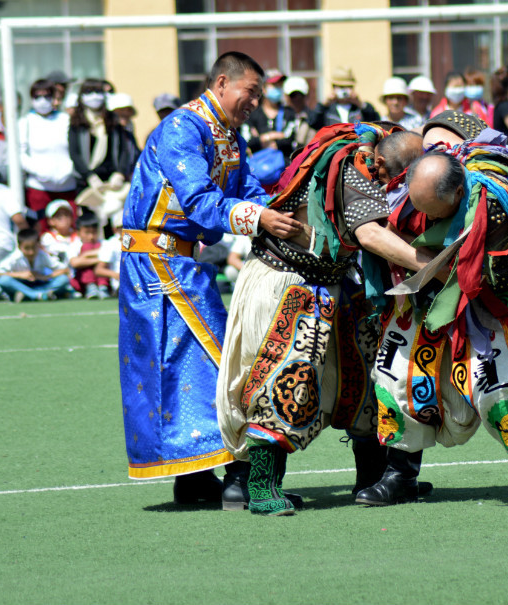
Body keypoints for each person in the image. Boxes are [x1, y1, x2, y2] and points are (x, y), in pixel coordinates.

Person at [356, 114, 508, 510]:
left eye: (434, 212)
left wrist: (471, 260)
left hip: (496, 292)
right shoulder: (414, 150)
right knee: (397, 372)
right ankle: (400, 474)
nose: (426, 218)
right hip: (425, 294)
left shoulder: (497, 195)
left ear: (456, 196)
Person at [215, 124, 435, 516]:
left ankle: (371, 479)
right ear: (381, 162)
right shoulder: (356, 164)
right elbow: (369, 234)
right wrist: (431, 266)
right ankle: (261, 487)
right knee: (286, 380)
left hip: (329, 281)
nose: (393, 187)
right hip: (290, 282)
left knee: (367, 374)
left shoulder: (365, 154)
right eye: (395, 179)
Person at [117, 51, 302, 505]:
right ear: (222, 83)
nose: (256, 102)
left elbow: (249, 192)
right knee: (222, 364)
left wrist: (286, 206)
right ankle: (237, 477)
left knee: (198, 366)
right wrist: (260, 219)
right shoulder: (184, 127)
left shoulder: (229, 137)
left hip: (182, 263)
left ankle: (195, 478)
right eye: (251, 92)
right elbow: (200, 201)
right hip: (155, 264)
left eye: (261, 95)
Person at [19, 78, 79, 232]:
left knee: (71, 231)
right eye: (37, 97)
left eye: (47, 96)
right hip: (39, 187)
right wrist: (39, 171)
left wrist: (70, 169)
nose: (42, 101)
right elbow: (21, 154)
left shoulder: (65, 120)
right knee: (42, 232)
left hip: (67, 186)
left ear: (54, 98)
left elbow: (76, 149)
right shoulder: (25, 122)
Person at [68, 78, 139, 198]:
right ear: (82, 97)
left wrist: (120, 173)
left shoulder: (112, 120)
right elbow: (75, 153)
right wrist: (89, 176)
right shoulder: (77, 123)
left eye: (97, 92)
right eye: (89, 92)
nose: (94, 96)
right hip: (87, 183)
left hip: (112, 181)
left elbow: (123, 149)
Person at [0, 228, 71, 302]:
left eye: (33, 248)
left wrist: (45, 277)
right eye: (27, 248)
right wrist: (19, 275)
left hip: (39, 283)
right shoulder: (15, 257)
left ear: (38, 245)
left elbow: (65, 270)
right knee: (4, 280)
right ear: (19, 247)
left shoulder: (42, 255)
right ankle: (37, 295)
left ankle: (29, 295)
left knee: (63, 279)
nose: (31, 252)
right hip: (22, 284)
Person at [241, 69, 296, 166]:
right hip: (258, 170)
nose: (278, 89)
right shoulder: (252, 114)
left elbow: (288, 140)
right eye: (275, 86)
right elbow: (248, 141)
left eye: (280, 86)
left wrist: (261, 139)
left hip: (284, 170)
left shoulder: (289, 113)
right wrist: (273, 135)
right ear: (264, 89)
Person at [308, 67, 380, 129]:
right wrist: (323, 105)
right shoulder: (327, 110)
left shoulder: (359, 109)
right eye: (340, 87)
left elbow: (375, 120)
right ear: (333, 88)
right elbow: (312, 123)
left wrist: (359, 103)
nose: (343, 91)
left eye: (347, 87)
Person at [69, 211, 110, 299]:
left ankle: (103, 287)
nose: (91, 236)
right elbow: (75, 263)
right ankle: (90, 286)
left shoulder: (104, 243)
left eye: (94, 232)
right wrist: (99, 258)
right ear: (79, 233)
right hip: (81, 281)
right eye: (87, 233)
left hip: (103, 279)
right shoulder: (74, 245)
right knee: (87, 247)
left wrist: (86, 255)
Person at [40, 199, 80, 267]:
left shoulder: (79, 236)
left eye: (66, 214)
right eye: (58, 216)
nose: (63, 218)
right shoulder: (47, 238)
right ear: (50, 221)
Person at [283, 76, 314, 151]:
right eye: (292, 95)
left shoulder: (313, 118)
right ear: (286, 96)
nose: (297, 99)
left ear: (307, 96)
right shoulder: (280, 116)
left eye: (300, 95)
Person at [96, 211, 123, 295]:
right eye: (123, 227)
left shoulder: (139, 241)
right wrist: (116, 275)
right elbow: (99, 270)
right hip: (121, 285)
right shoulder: (111, 244)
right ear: (115, 229)